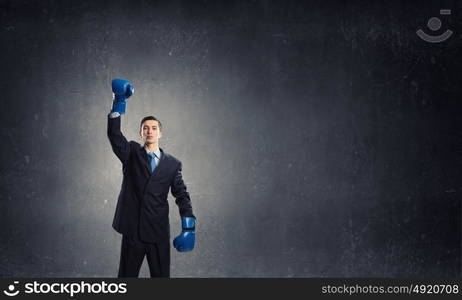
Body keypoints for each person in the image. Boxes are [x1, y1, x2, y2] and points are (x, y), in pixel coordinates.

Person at [107, 78, 196, 278]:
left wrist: (189, 226)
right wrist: (118, 103)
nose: (149, 131)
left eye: (154, 128)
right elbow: (114, 134)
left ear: (160, 133)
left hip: (158, 232)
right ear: (140, 133)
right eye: (145, 128)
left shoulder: (173, 164)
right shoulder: (130, 153)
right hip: (133, 231)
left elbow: (182, 196)